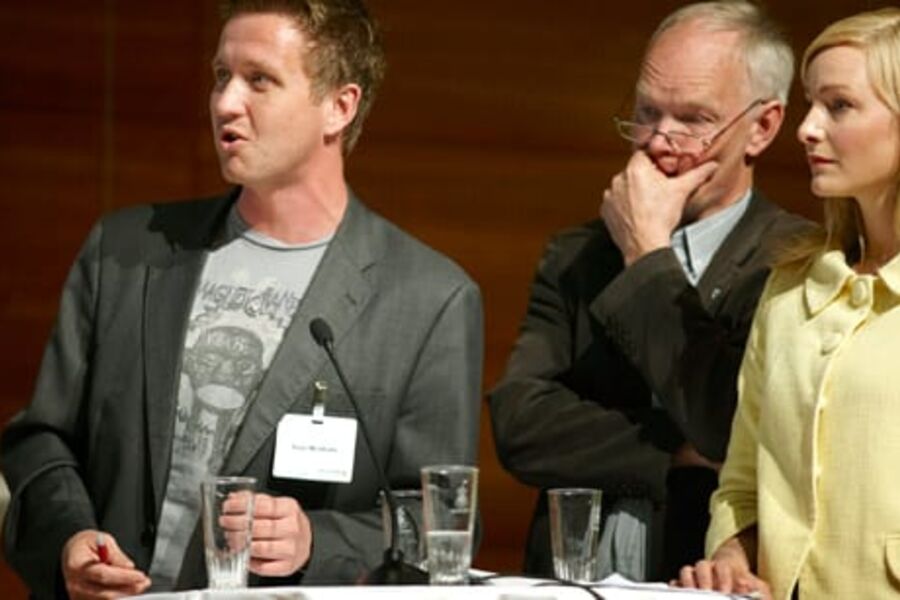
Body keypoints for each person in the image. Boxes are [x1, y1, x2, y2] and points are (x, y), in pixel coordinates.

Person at [0, 0, 483, 597]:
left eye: (260, 80)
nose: (226, 102)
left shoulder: (427, 298)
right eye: (221, 76)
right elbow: (40, 441)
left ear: (340, 106)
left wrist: (317, 540)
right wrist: (68, 540)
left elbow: (438, 520)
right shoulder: (125, 253)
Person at [489, 0, 806, 582]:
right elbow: (520, 424)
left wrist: (646, 254)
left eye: (694, 119)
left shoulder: (795, 262)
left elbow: (725, 424)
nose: (660, 140)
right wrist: (678, 451)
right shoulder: (577, 252)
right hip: (568, 576)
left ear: (762, 127)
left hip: (702, 574)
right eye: (647, 112)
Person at [677, 8, 900, 599]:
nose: (806, 127)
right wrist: (731, 552)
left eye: (840, 105)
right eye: (810, 103)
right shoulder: (791, 287)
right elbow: (743, 480)